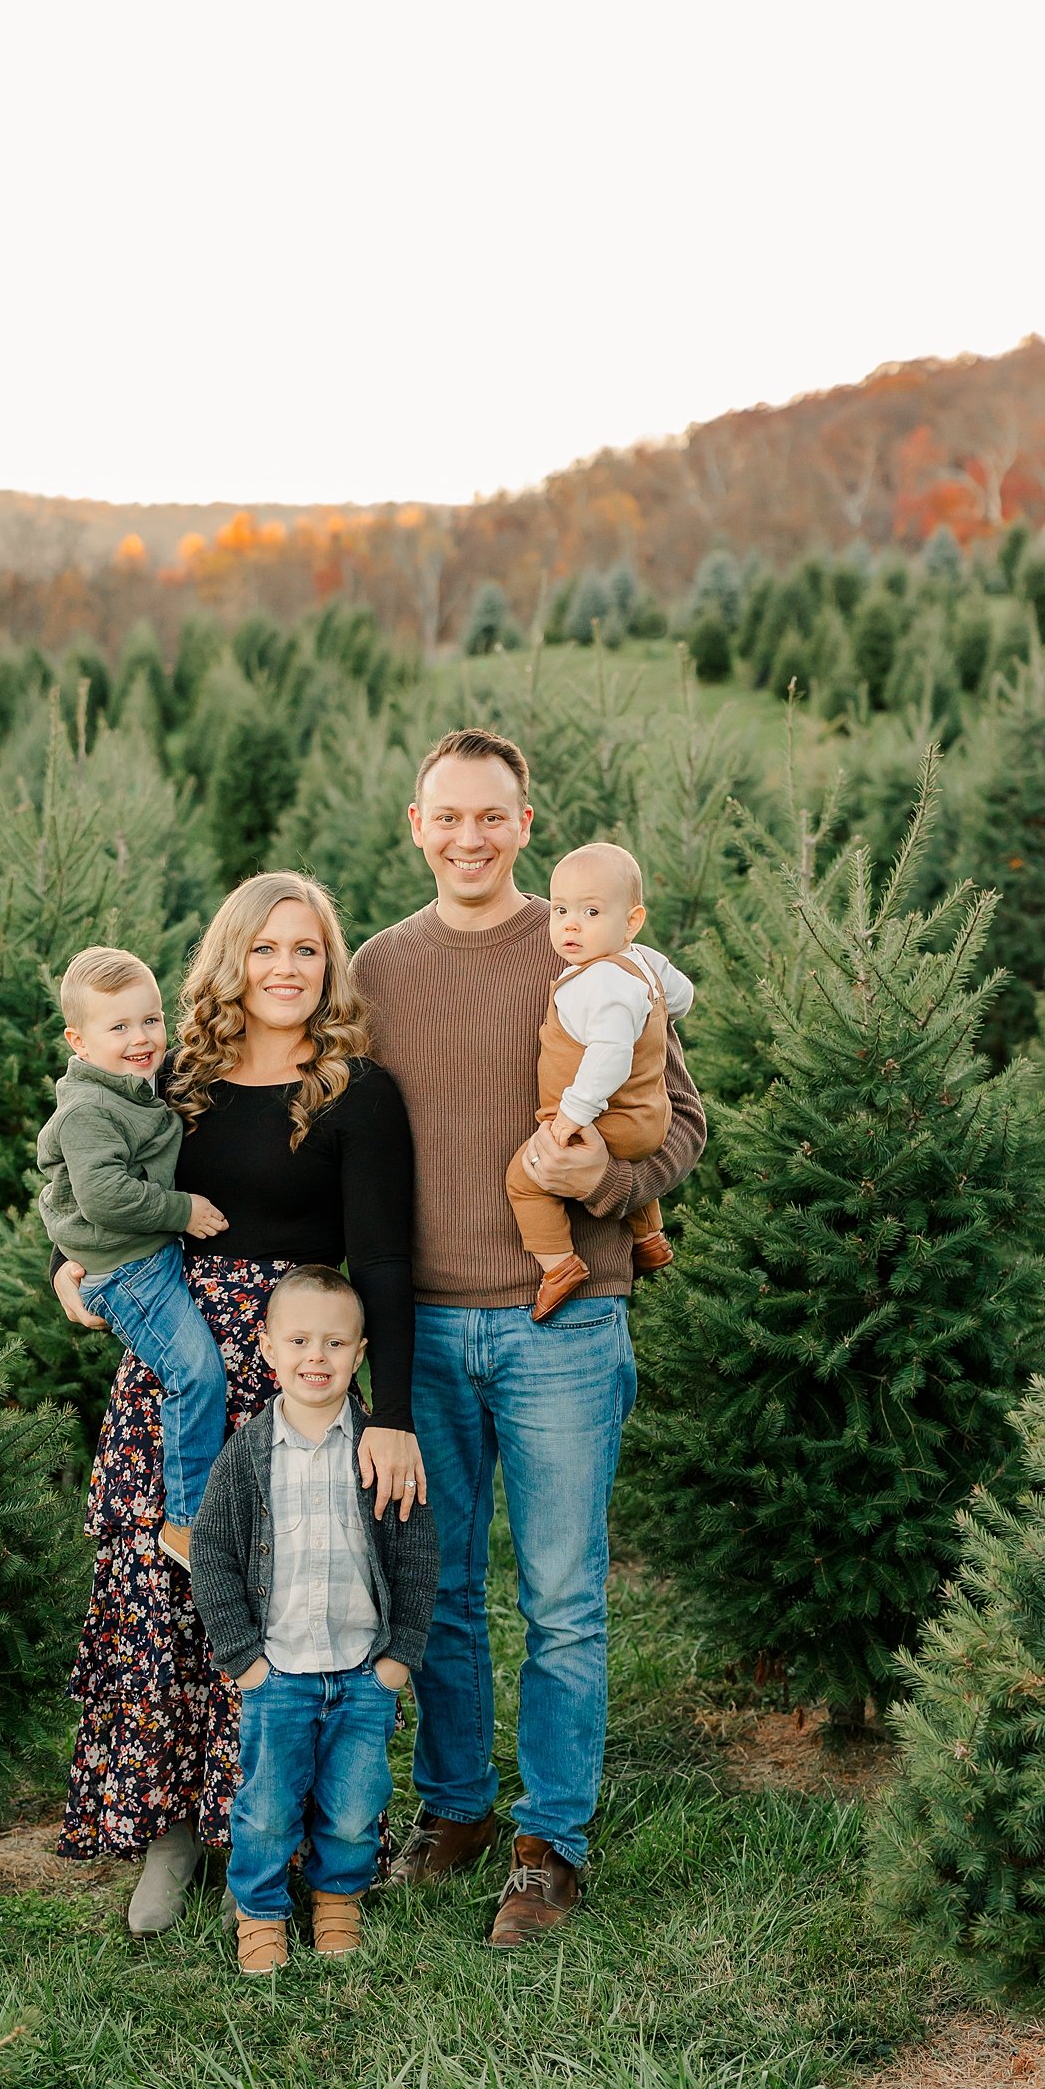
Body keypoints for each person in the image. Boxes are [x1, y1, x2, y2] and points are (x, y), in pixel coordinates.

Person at [351, 727, 706, 1947]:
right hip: (425, 1331)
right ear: (415, 824)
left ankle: (550, 1838)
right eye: (446, 816)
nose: (468, 837)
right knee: (441, 1592)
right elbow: (292, 1114)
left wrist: (603, 1177)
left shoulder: (596, 949)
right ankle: (450, 1809)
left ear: (526, 822)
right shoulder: (376, 971)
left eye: (490, 816)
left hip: (565, 1325)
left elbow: (682, 1127)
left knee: (562, 1597)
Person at [51, 872, 421, 1937]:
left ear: (329, 965)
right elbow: (86, 1179)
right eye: (265, 949)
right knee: (161, 1589)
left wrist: (385, 1413)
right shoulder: (173, 1079)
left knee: (289, 1598)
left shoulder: (357, 1092)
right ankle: (169, 1833)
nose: (286, 969)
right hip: (177, 1362)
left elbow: (385, 1265)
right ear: (233, 959)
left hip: (297, 1368)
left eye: (306, 950)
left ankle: (291, 1832)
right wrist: (69, 1270)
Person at [189, 1266, 439, 1974]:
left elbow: (418, 1553)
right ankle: (261, 1910)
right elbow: (210, 1557)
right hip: (279, 1674)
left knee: (356, 1805)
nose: (315, 1357)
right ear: (267, 1349)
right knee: (266, 1808)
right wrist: (245, 1659)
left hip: (363, 1671)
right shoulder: (247, 1457)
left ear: (361, 1354)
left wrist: (399, 1658)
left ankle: (337, 1898)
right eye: (298, 1340)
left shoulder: (379, 1449)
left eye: (334, 1343)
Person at [36, 944, 230, 1569]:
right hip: (128, 1273)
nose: (141, 1038)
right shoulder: (91, 1108)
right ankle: (188, 1521)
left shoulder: (136, 1085)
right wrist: (184, 1211)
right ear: (79, 1040)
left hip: (146, 1262)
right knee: (194, 1372)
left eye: (150, 1020)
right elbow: (102, 1196)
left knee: (194, 1370)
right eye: (117, 1027)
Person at [504, 843, 695, 1320]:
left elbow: (609, 1056)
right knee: (621, 1153)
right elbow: (682, 995)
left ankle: (559, 1265)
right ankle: (650, 1239)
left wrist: (572, 1113)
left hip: (607, 1118)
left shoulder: (599, 983)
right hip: (648, 1118)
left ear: (631, 921)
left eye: (591, 912)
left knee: (524, 1179)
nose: (571, 924)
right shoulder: (644, 962)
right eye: (562, 910)